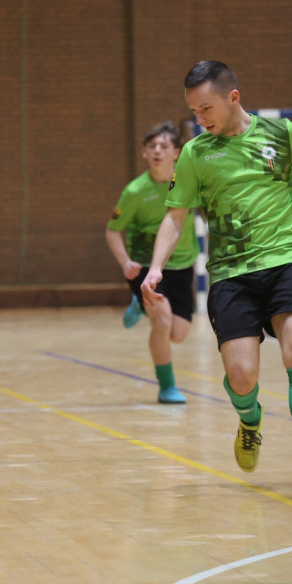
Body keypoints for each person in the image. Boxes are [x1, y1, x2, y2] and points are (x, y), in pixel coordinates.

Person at [141, 61, 292, 487]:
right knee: (242, 376)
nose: (198, 119)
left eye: (205, 108)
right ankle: (250, 422)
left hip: (288, 260)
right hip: (231, 273)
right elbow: (176, 215)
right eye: (193, 111)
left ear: (233, 98)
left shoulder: (283, 135)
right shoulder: (194, 153)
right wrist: (156, 267)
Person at [105, 121, 197, 404]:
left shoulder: (189, 183)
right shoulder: (135, 191)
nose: (157, 151)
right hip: (146, 266)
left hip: (182, 264)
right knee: (163, 321)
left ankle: (139, 307)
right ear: (145, 153)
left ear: (176, 153)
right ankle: (167, 387)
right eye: (152, 146)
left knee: (178, 334)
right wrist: (125, 263)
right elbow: (112, 230)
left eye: (164, 146)